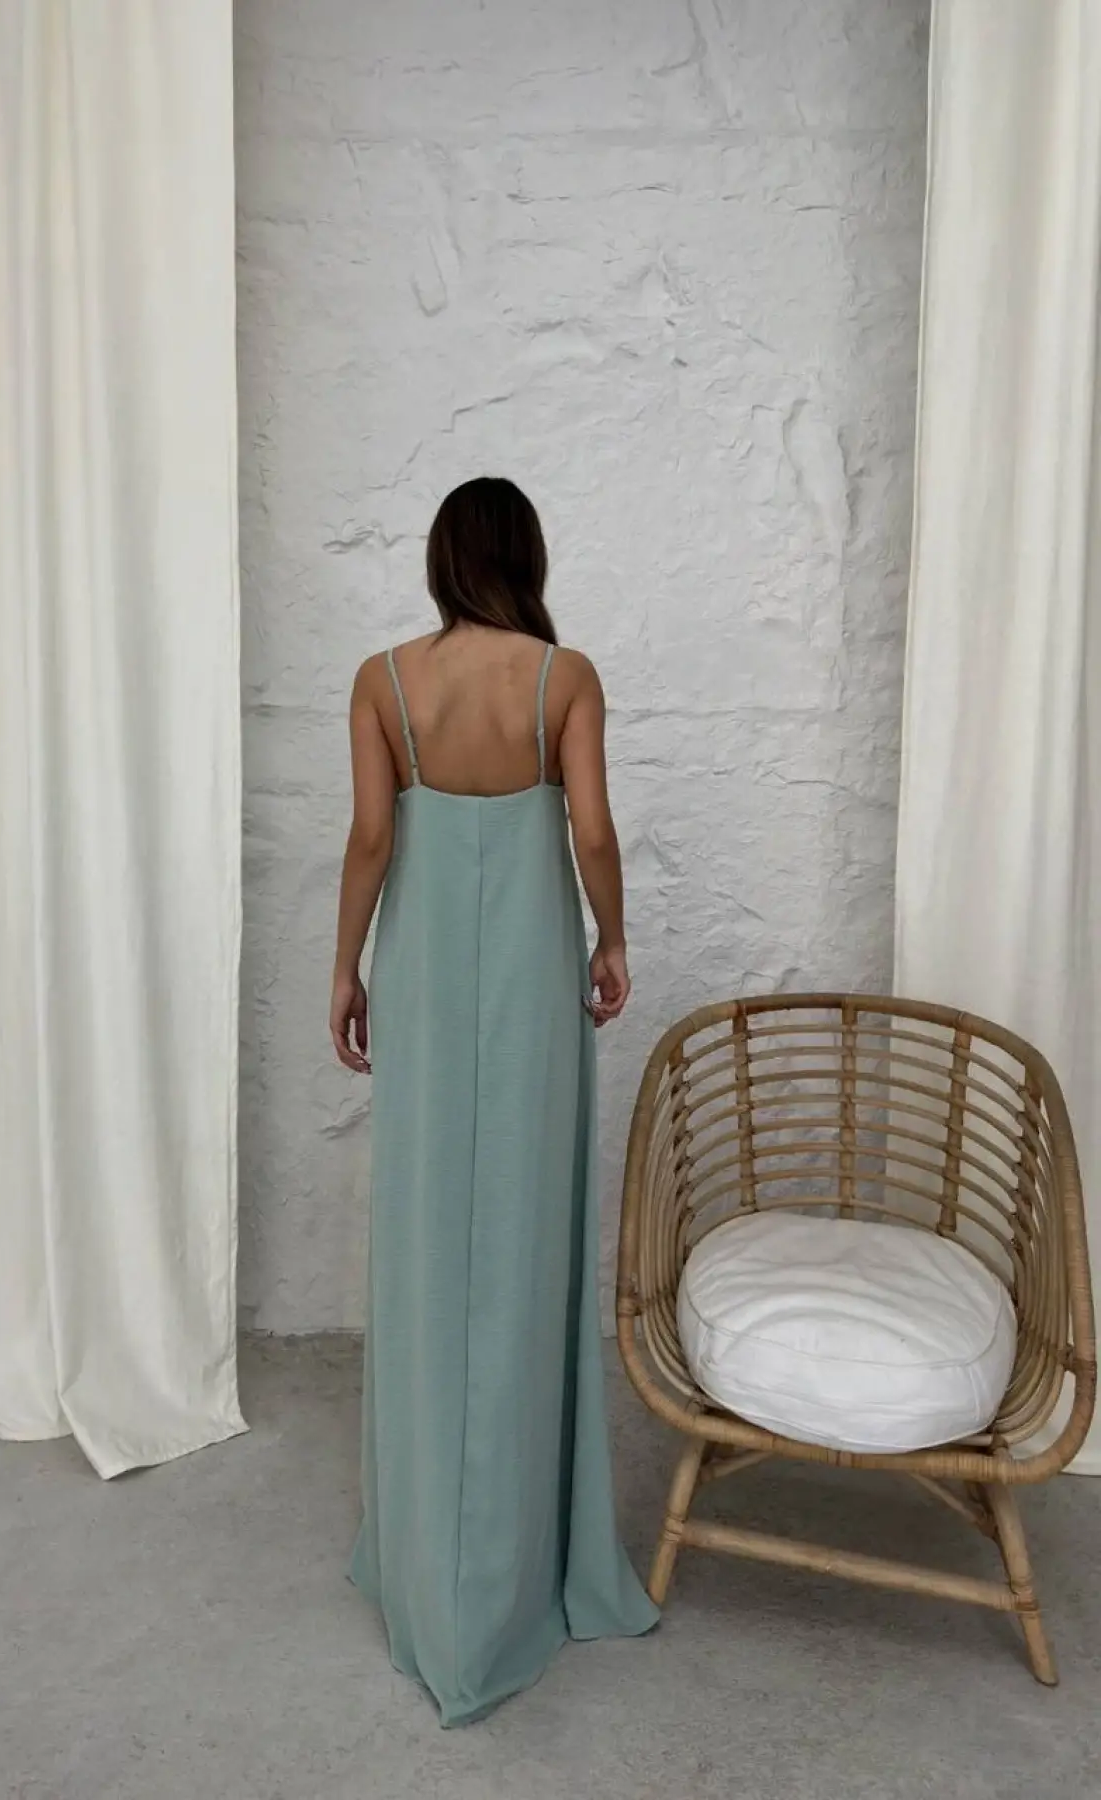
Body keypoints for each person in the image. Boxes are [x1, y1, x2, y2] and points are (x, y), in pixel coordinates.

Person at [330, 476, 658, 1726]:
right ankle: (521, 1564)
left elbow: (372, 839)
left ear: (438, 560)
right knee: (521, 1241)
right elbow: (592, 832)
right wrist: (611, 939)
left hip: (422, 975)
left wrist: (347, 969)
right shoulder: (562, 678)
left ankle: (423, 1559)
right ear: (525, 558)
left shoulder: (382, 681)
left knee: (426, 1241)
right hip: (527, 973)